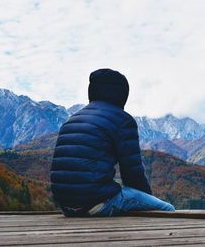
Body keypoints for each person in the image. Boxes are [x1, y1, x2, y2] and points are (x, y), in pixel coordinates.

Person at [50, 68, 175, 217]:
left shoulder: (71, 119)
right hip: (96, 203)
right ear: (122, 94)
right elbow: (132, 173)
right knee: (168, 209)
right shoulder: (122, 120)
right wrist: (147, 199)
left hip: (66, 206)